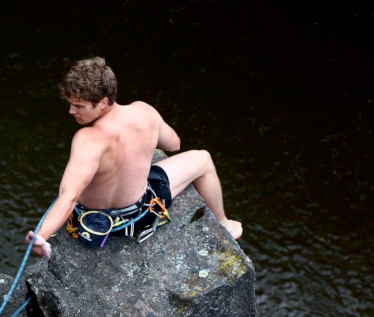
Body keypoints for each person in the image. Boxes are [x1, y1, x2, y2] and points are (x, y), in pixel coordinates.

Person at [26, 57, 242, 258]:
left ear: (102, 102)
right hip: (139, 216)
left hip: (91, 223)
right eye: (71, 104)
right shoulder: (144, 112)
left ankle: (223, 224)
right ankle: (224, 224)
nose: (71, 111)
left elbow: (69, 196)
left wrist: (41, 236)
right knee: (202, 158)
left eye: (79, 106)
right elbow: (174, 144)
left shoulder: (87, 140)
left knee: (201, 158)